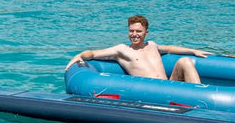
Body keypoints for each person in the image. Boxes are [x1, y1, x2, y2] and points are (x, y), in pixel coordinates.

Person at [65, 14, 208, 83]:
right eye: (131, 31)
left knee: (185, 61)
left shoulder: (152, 45)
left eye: (138, 32)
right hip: (151, 90)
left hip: (169, 84)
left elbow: (169, 49)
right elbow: (94, 53)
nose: (134, 35)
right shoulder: (122, 50)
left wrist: (193, 51)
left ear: (146, 33)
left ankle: (200, 94)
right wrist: (79, 56)